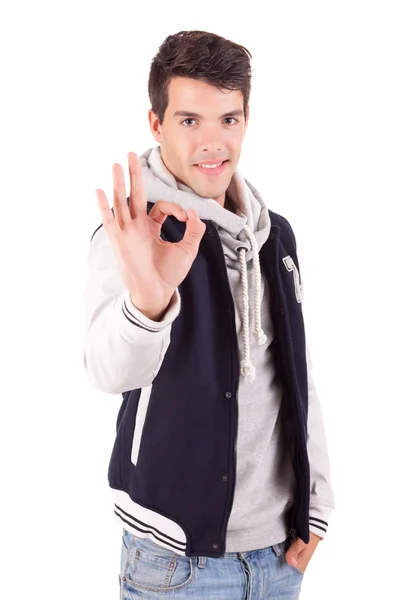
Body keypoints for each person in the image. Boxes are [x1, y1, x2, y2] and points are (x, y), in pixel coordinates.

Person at [83, 29, 335, 599]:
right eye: (190, 120)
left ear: (246, 119)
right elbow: (105, 369)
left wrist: (316, 508)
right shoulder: (133, 233)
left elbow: (296, 376)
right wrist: (148, 302)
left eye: (228, 119)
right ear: (157, 124)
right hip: (175, 561)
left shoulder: (276, 237)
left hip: (279, 557)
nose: (212, 142)